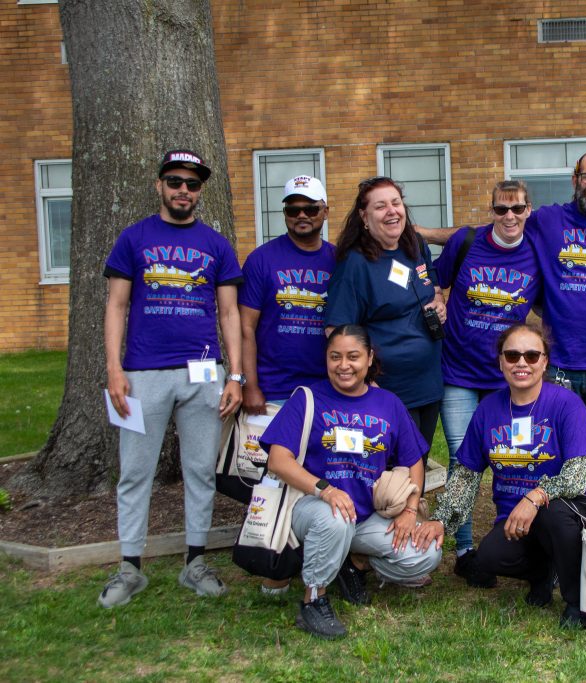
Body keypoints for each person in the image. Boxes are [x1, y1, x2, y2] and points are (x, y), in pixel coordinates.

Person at [418, 150, 586, 516]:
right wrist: (420, 234)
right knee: (554, 458)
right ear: (575, 180)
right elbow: (492, 230)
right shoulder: (547, 220)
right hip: (559, 364)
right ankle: (555, 530)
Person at [100, 149, 243, 608]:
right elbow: (116, 306)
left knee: (200, 470)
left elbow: (229, 313)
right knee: (135, 471)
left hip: (203, 375)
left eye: (193, 184)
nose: (184, 190)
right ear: (159, 185)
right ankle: (130, 568)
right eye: (176, 181)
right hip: (142, 374)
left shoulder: (216, 245)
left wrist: (235, 375)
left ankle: (195, 562)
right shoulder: (133, 238)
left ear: (200, 192)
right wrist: (114, 369)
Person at [414, 323, 586, 628]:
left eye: (532, 356)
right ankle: (544, 573)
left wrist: (535, 497)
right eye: (512, 355)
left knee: (553, 516)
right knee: (489, 557)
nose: (521, 363)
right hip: (516, 518)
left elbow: (577, 476)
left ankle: (578, 601)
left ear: (544, 362)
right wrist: (441, 519)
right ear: (501, 361)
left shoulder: (566, 404)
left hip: (568, 511)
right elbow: (466, 475)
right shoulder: (489, 409)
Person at [260, 325, 442, 639]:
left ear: (369, 359)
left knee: (426, 554)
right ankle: (314, 600)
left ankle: (355, 562)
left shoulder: (388, 403)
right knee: (335, 518)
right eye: (335, 357)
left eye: (353, 357)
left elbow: (414, 460)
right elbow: (278, 460)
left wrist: (410, 510)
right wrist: (325, 490)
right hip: (310, 509)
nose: (344, 365)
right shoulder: (307, 398)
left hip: (366, 516)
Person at [432, 180, 542, 588]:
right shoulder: (466, 242)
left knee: (515, 457)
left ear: (528, 210)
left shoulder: (537, 252)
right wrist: (438, 298)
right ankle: (465, 551)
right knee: (463, 459)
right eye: (501, 209)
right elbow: (436, 281)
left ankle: (514, 538)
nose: (509, 217)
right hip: (458, 373)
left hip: (508, 376)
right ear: (491, 210)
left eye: (517, 209)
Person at [238, 174, 335, 595]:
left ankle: (325, 556)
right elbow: (246, 327)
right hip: (275, 388)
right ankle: (275, 566)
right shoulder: (262, 259)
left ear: (324, 211)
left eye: (310, 208)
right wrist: (250, 384)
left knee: (323, 474)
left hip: (324, 390)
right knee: (274, 481)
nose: (302, 215)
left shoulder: (339, 259)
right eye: (293, 209)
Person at [324, 177, 446, 447]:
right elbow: (336, 331)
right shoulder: (355, 264)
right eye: (380, 207)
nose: (392, 211)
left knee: (418, 463)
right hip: (387, 390)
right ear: (364, 217)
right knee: (392, 467)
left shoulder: (415, 245)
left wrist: (439, 302)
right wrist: (365, 382)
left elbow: (433, 285)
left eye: (396, 203)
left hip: (428, 384)